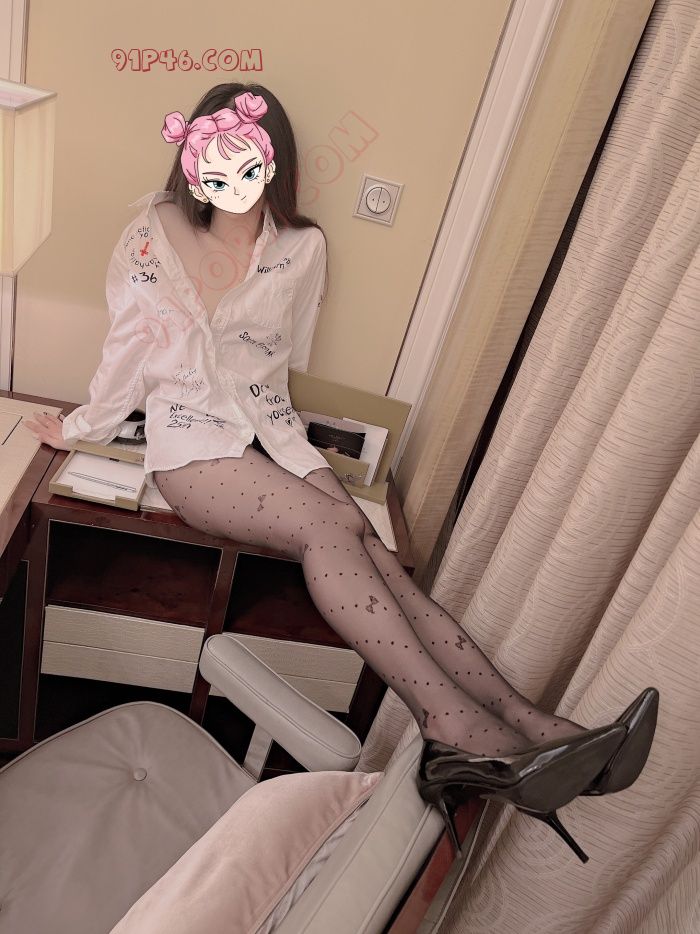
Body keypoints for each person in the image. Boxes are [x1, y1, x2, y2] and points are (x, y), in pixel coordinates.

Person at [23, 82, 658, 862]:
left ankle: (540, 730)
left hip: (268, 442)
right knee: (329, 528)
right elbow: (126, 352)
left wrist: (313, 468)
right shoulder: (151, 234)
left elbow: (275, 378)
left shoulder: (302, 248)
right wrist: (79, 427)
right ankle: (455, 727)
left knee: (368, 545)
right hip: (191, 450)